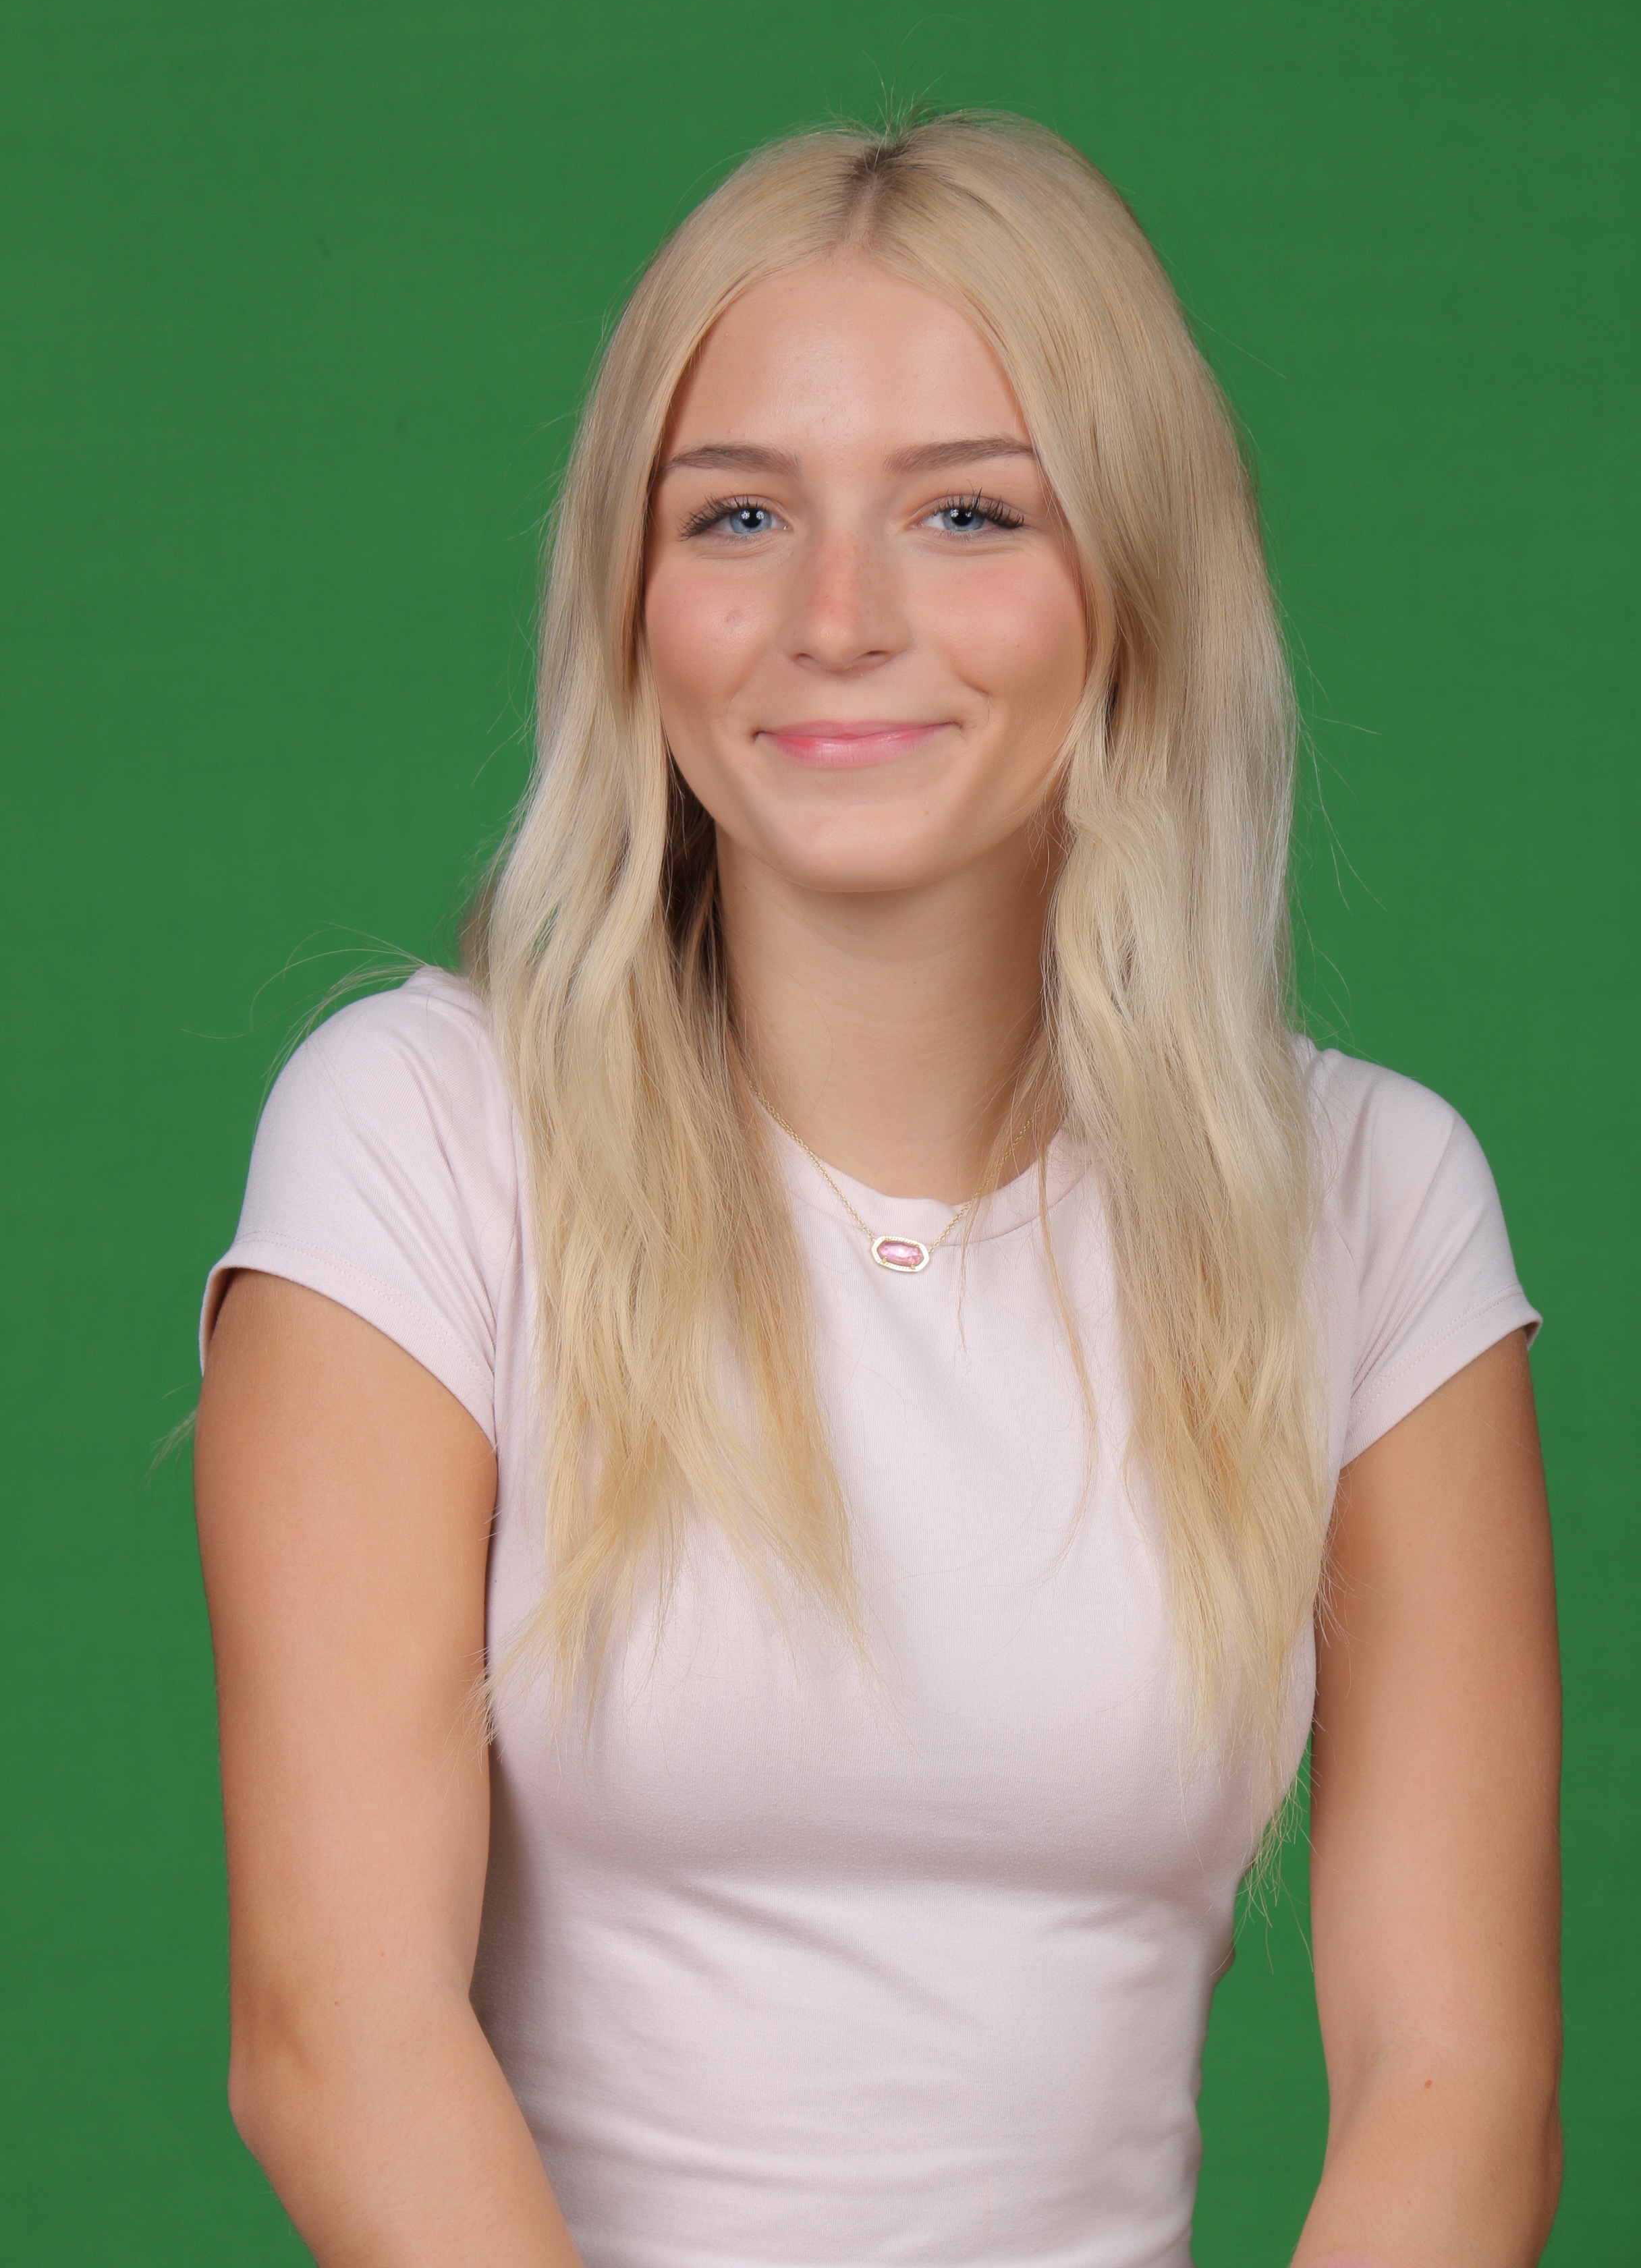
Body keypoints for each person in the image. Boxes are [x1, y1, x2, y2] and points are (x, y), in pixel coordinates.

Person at [193, 114, 1562, 2268]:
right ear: (632, 602)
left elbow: (1455, 2079)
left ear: (1136, 590)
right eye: (738, 513)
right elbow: (333, 2032)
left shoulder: (1376, 1202)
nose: (837, 618)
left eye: (967, 511)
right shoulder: (422, 1140)